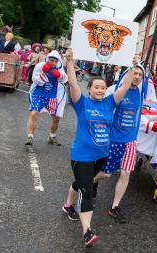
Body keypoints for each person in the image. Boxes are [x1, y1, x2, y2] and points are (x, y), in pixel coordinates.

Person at [62, 48, 134, 246]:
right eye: (97, 87)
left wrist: (133, 66)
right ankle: (87, 231)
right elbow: (73, 83)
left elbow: (125, 86)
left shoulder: (110, 103)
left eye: (103, 87)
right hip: (82, 155)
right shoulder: (82, 103)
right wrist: (70, 61)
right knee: (87, 191)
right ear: (90, 89)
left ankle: (68, 204)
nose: (101, 90)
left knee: (91, 181)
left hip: (102, 155)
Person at [92, 57, 149, 223]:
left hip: (130, 140)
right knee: (107, 174)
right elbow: (102, 107)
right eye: (134, 74)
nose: (137, 77)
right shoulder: (116, 90)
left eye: (140, 74)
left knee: (126, 172)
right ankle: (91, 181)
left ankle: (115, 207)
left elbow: (141, 114)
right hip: (114, 139)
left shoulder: (141, 93)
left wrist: (156, 121)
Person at [25, 50, 68, 146]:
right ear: (48, 58)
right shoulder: (40, 66)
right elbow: (34, 79)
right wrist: (43, 73)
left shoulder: (59, 68)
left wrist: (60, 76)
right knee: (34, 113)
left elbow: (65, 79)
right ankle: (30, 137)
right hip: (39, 93)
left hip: (53, 96)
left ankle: (52, 137)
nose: (53, 63)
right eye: (51, 60)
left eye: (55, 61)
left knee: (56, 118)